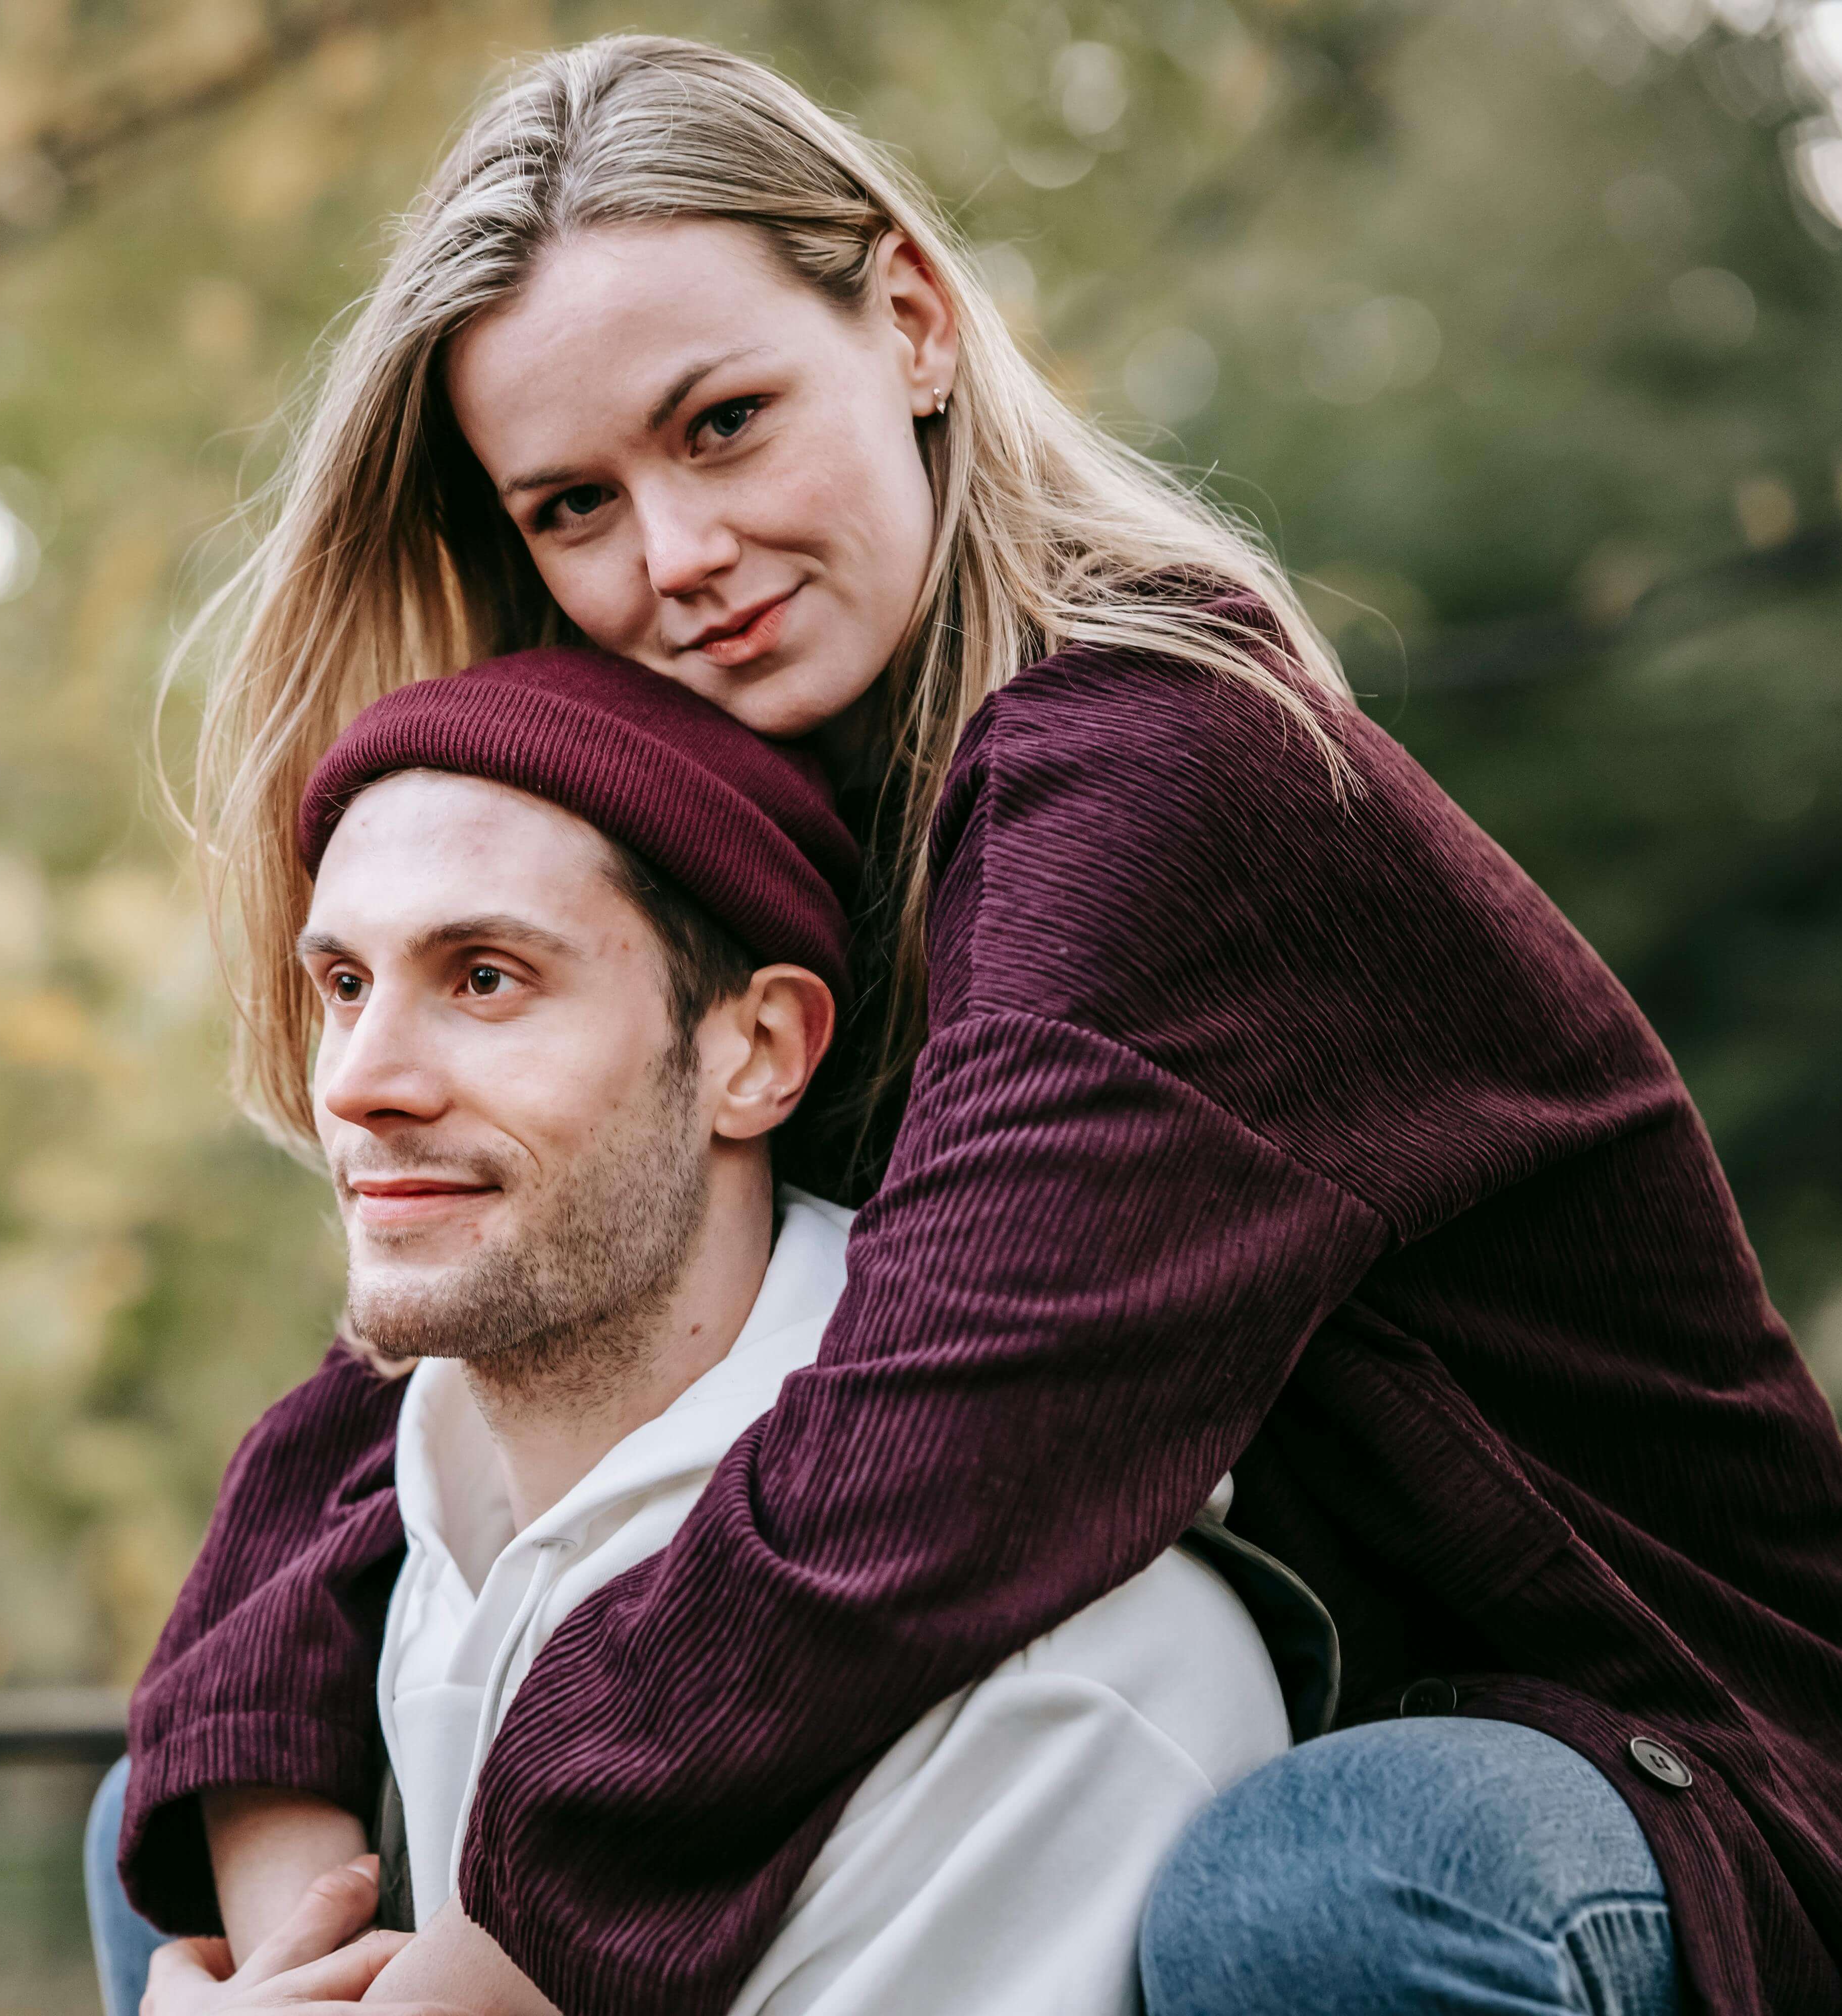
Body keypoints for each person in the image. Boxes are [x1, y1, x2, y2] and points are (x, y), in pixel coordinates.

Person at [102, 32, 1842, 2016]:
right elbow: (382, 1396)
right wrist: (286, 1909)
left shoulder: (1164, 773)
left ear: (906, 319)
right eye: (573, 506)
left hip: (1642, 1788)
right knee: (187, 1803)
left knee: (1317, 1891)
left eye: (723, 423)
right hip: (1224, 1694)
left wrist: (481, 1969)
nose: (676, 557)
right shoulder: (773, 828)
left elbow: (919, 1475)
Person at [116, 646, 1295, 2015]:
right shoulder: (383, 1550)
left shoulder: (1055, 1679)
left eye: (487, 978)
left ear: (756, 1053)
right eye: (344, 988)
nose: (364, 1084)